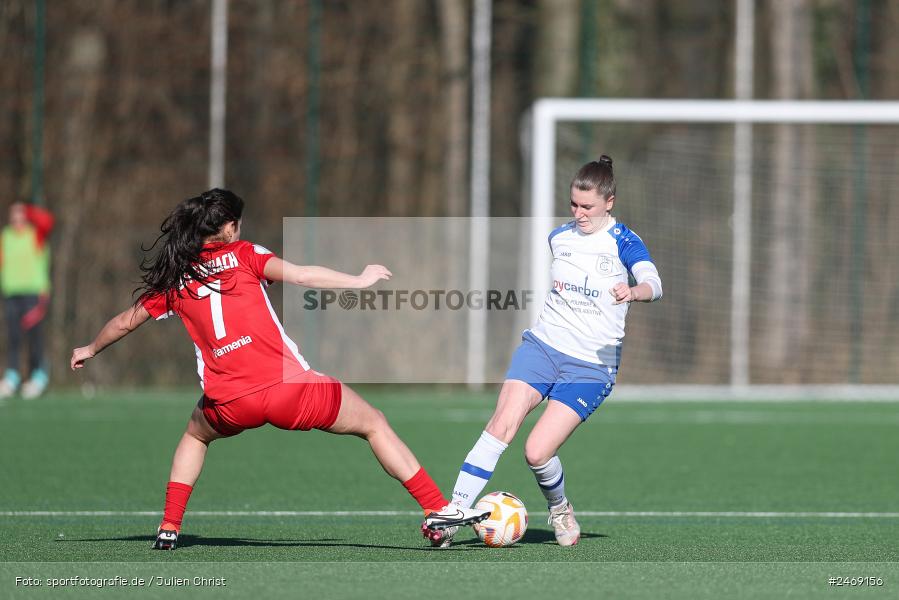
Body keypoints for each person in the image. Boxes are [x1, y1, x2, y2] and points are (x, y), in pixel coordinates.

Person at [70, 189, 489, 550]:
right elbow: (304, 275)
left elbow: (125, 321)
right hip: (290, 391)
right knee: (374, 424)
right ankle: (437, 509)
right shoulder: (246, 254)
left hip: (230, 403)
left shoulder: (176, 278)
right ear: (231, 227)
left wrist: (90, 348)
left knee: (195, 435)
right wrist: (359, 280)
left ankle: (168, 527)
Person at [435, 155, 662, 548]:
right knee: (502, 421)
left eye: (587, 206)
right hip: (543, 346)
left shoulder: (625, 241)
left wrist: (634, 291)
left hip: (591, 365)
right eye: (573, 204)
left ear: (609, 201)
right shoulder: (559, 237)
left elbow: (653, 281)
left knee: (537, 451)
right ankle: (454, 512)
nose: (579, 213)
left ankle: (559, 507)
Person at [1, 202, 54, 399]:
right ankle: (12, 376)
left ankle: (38, 376)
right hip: (11, 292)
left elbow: (48, 221)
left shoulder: (36, 234)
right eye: (13, 216)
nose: (17, 220)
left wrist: (28, 210)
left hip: (33, 293)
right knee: (13, 337)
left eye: (20, 215)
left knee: (35, 338)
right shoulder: (5, 237)